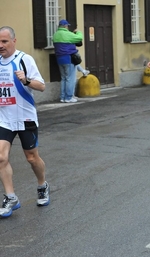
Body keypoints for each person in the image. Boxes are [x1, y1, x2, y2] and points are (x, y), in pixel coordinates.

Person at [0, 26, 49, 218]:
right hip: (4, 118)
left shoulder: (24, 59)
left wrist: (26, 80)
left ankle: (42, 185)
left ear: (14, 41)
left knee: (31, 158)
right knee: (1, 157)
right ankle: (11, 197)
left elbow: (42, 86)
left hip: (25, 117)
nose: (1, 45)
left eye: (4, 41)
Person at [53, 19, 83, 103]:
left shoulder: (55, 34)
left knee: (63, 78)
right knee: (70, 78)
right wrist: (78, 32)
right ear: (65, 26)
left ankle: (62, 97)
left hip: (59, 58)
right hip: (69, 58)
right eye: (67, 26)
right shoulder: (67, 34)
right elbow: (79, 38)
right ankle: (69, 97)